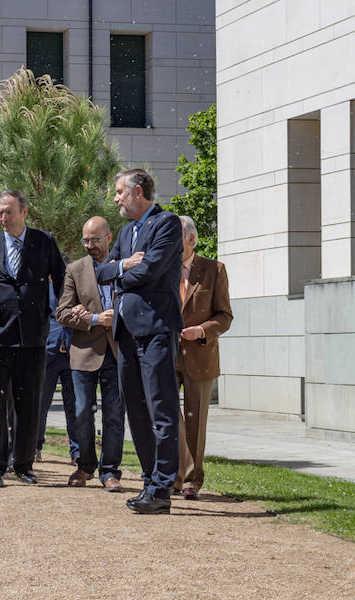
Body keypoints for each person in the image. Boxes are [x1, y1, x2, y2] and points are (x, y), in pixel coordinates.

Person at [95, 168, 183, 514]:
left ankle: (162, 487)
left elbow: (151, 270)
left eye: (119, 192)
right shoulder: (126, 231)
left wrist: (122, 272)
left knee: (161, 410)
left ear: (138, 191)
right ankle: (150, 480)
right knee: (135, 409)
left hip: (156, 330)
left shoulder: (166, 224)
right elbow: (101, 271)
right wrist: (121, 267)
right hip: (126, 333)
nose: (115, 198)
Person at [0, 190, 65, 488]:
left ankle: (23, 464)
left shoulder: (44, 243)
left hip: (32, 338)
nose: (3, 217)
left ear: (24, 212)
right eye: (0, 212)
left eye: (9, 211)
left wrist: (55, 314)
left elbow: (62, 280)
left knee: (29, 403)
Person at [57, 216, 125, 491]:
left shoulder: (124, 265)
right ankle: (85, 466)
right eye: (86, 240)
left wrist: (117, 318)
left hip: (118, 351)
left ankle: (110, 471)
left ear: (109, 238)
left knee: (115, 414)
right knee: (82, 411)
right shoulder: (75, 270)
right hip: (84, 352)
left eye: (95, 240)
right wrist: (95, 319)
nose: (90, 245)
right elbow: (62, 312)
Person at [174, 215, 233, 500]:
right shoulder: (162, 270)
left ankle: (191, 480)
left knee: (195, 420)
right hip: (166, 355)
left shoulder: (214, 270)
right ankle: (173, 475)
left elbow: (225, 316)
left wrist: (202, 330)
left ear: (191, 239)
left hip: (201, 357)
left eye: (176, 239)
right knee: (167, 417)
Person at [36, 276, 78, 464]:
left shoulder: (77, 290)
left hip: (73, 353)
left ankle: (77, 452)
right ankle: (35, 447)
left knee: (75, 406)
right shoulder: (45, 289)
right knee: (41, 404)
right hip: (48, 352)